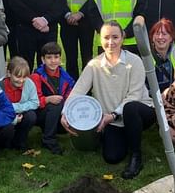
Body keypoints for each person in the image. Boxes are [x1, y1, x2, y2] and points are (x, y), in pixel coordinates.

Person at [61, 21, 155, 179]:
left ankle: (136, 157)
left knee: (130, 108)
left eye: (115, 37)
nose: (110, 42)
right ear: (100, 39)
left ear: (123, 38)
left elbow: (135, 95)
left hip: (140, 111)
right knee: (112, 157)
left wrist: (112, 115)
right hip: (111, 120)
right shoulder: (94, 65)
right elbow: (78, 90)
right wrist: (65, 113)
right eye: (106, 37)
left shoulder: (135, 61)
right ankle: (117, 135)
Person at [30, 42, 74, 155]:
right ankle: (48, 140)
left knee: (67, 126)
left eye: (56, 57)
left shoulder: (66, 77)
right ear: (43, 60)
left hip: (59, 113)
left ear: (60, 59)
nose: (53, 61)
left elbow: (70, 97)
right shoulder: (36, 76)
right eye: (49, 57)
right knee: (56, 104)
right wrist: (48, 99)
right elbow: (33, 101)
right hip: (40, 113)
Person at [0, 56, 39, 152]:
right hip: (4, 118)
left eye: (24, 77)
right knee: (8, 128)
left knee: (31, 116)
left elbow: (35, 102)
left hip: (21, 114)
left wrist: (16, 107)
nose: (21, 80)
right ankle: (4, 144)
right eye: (18, 76)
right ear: (9, 73)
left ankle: (20, 141)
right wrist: (13, 118)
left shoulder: (29, 84)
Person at [150, 18, 175, 93]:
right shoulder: (147, 55)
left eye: (164, 34)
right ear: (152, 38)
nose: (160, 37)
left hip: (174, 94)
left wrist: (168, 93)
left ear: (171, 37)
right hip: (152, 97)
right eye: (157, 34)